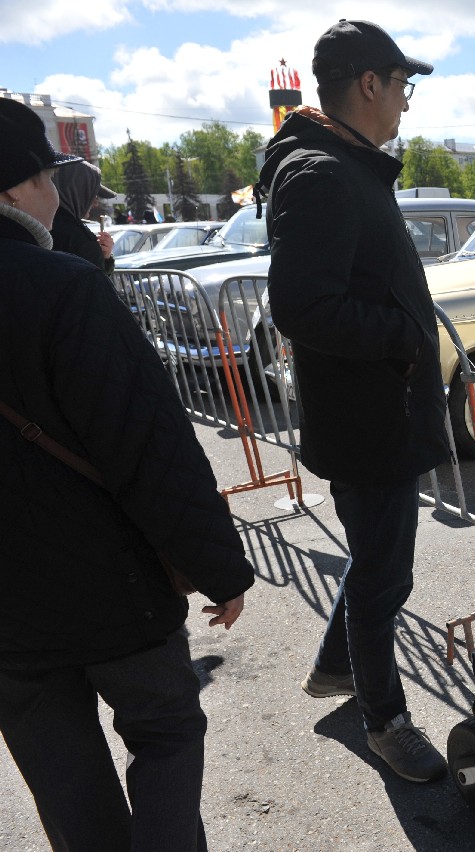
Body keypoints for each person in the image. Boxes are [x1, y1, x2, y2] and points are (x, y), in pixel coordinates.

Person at [0, 96, 254, 851]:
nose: (54, 193)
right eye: (46, 176)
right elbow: (148, 448)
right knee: (168, 732)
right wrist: (220, 568)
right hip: (112, 589)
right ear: (13, 190)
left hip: (8, 618)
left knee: (60, 768)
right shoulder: (62, 288)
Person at [259, 19, 451, 783]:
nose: (406, 102)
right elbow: (302, 307)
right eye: (402, 85)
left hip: (377, 412)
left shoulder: (344, 163)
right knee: (383, 577)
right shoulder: (320, 173)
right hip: (369, 421)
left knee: (373, 562)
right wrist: (404, 334)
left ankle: (338, 673)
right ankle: (385, 719)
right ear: (369, 84)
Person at [50, 159, 116, 271]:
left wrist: (105, 258)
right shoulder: (79, 239)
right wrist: (98, 256)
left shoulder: (41, 224)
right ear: (79, 193)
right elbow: (95, 285)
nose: (95, 203)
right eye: (92, 195)